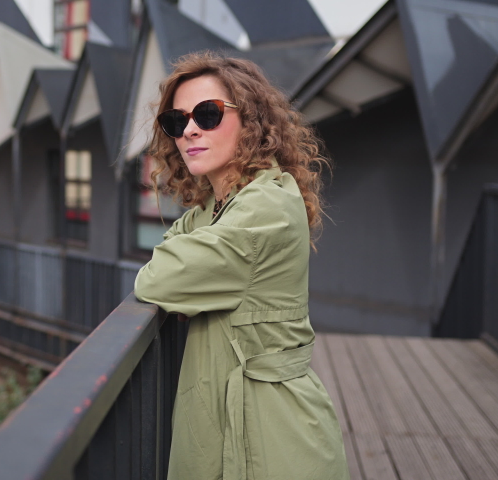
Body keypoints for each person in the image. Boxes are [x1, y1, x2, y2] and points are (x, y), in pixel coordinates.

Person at [133, 52, 350, 480]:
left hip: (273, 441)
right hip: (237, 424)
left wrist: (178, 258)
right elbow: (175, 251)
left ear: (249, 121)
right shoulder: (219, 206)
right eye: (176, 122)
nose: (189, 129)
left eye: (208, 114)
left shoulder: (263, 206)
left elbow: (159, 277)